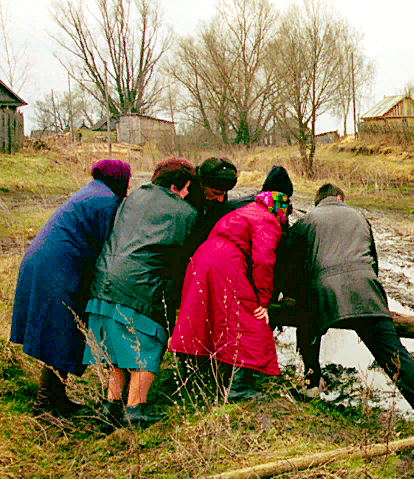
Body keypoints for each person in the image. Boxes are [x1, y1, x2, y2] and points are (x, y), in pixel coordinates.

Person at [283, 183, 414, 423]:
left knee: (308, 332)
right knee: (392, 351)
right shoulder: (359, 217)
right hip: (365, 288)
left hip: (322, 291)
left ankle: (311, 384)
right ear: (340, 197)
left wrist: (293, 295)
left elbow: (290, 264)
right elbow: (373, 261)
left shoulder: (307, 221)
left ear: (319, 202)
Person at [82, 157, 199, 427]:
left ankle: (111, 406)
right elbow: (182, 255)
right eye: (186, 189)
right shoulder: (184, 213)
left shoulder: (133, 197)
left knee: (117, 349)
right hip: (139, 286)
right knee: (148, 345)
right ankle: (135, 409)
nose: (187, 195)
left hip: (105, 279)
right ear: (175, 187)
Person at [10, 159, 131, 415]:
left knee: (60, 333)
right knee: (61, 333)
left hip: (45, 262)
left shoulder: (92, 191)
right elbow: (106, 247)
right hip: (57, 268)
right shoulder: (105, 201)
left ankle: (55, 398)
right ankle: (44, 405)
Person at [168, 172, 292, 402]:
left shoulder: (243, 211)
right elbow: (263, 261)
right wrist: (264, 300)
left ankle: (190, 378)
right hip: (226, 263)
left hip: (202, 259)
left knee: (200, 316)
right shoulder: (268, 220)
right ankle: (239, 387)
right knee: (248, 319)